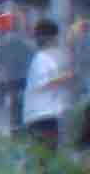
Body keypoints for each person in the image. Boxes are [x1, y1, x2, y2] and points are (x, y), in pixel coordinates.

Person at [27, 18, 71, 151]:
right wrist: (65, 78)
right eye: (55, 38)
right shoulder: (41, 58)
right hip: (42, 116)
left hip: (44, 115)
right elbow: (42, 83)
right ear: (50, 38)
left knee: (47, 153)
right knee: (46, 153)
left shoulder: (44, 57)